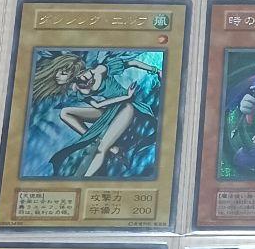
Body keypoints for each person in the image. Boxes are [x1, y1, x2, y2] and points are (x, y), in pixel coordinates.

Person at [30, 51, 161, 177]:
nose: (57, 78)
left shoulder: (100, 70)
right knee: (65, 113)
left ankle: (86, 178)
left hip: (127, 106)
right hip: (110, 109)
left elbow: (131, 62)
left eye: (59, 73)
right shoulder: (78, 89)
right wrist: (125, 96)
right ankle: (97, 141)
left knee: (101, 149)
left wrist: (155, 70)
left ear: (68, 70)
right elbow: (98, 105)